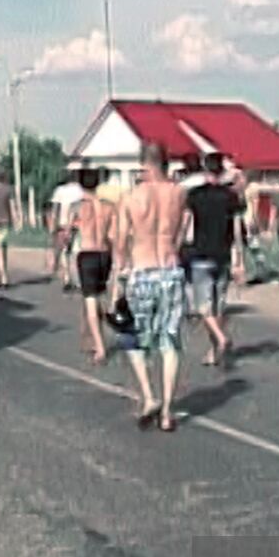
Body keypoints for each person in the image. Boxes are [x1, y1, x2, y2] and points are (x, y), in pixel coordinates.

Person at [113, 143, 187, 432]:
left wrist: (119, 278)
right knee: (170, 342)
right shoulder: (179, 193)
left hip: (142, 270)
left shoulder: (132, 197)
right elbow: (180, 229)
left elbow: (120, 242)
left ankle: (148, 396)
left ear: (144, 164)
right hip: (170, 270)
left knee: (133, 337)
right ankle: (168, 411)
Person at [183, 152, 244, 368]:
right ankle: (214, 350)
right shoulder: (231, 196)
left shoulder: (195, 195)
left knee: (203, 308)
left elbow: (185, 224)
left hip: (201, 254)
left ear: (205, 169)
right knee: (218, 306)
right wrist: (240, 260)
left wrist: (178, 245)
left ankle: (220, 339)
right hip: (223, 255)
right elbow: (237, 230)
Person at [74, 167, 117, 365]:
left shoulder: (78, 206)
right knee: (98, 295)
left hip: (87, 252)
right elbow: (113, 234)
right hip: (104, 253)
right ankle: (89, 336)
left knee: (90, 299)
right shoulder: (109, 206)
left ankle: (100, 347)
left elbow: (67, 229)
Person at [50, 173, 84, 289]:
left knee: (64, 251)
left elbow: (55, 209)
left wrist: (52, 225)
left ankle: (66, 277)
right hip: (77, 224)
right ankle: (76, 278)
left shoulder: (59, 190)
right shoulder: (79, 189)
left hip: (62, 223)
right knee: (75, 250)